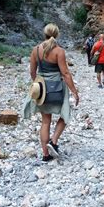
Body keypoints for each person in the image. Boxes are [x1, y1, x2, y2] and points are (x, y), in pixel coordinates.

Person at [23, 23, 80, 162]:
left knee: (45, 121)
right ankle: (53, 142)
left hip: (42, 88)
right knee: (65, 115)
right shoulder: (59, 51)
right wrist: (74, 92)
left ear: (45, 34)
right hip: (58, 87)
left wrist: (37, 84)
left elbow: (32, 72)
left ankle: (45, 155)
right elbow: (65, 73)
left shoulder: (35, 50)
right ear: (57, 34)